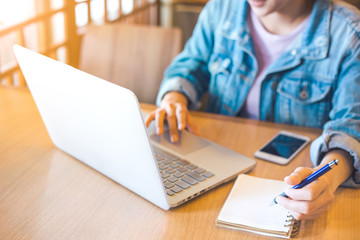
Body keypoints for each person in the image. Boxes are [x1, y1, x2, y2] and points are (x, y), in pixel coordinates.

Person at [145, 0, 360, 220]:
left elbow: (351, 129)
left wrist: (326, 180)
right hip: (216, 164)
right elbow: (191, 65)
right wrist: (174, 98)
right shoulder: (222, 8)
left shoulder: (350, 34)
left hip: (290, 180)